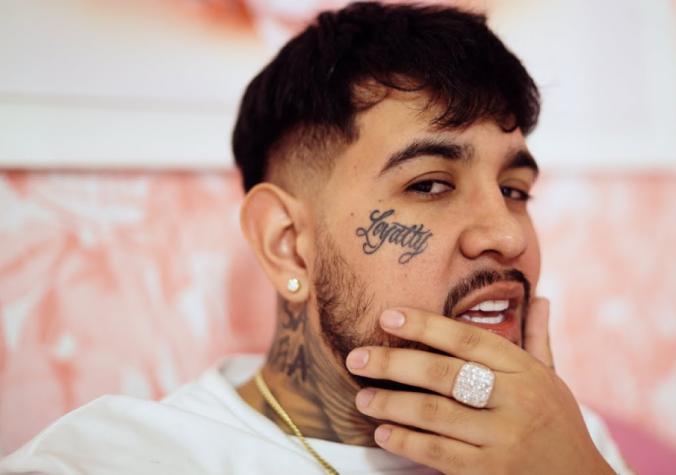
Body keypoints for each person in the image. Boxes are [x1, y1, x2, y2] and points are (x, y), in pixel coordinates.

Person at [1, 2, 632, 474]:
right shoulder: (110, 460)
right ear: (288, 243)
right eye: (430, 185)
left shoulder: (556, 437)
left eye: (515, 190)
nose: (507, 234)